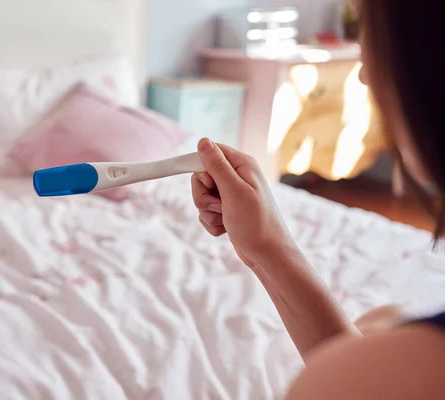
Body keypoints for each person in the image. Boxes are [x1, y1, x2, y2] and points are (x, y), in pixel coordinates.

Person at [190, 0, 445, 398]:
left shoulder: (400, 368)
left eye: (368, 36)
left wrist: (372, 352)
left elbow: (354, 378)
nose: (364, 75)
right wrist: (265, 245)